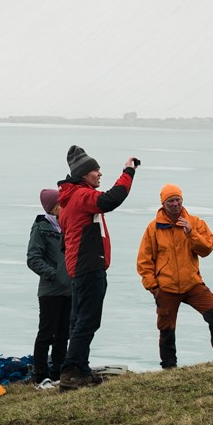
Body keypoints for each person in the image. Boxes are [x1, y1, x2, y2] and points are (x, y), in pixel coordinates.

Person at [52, 144, 139, 387]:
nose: (100, 174)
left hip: (80, 266)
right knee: (88, 320)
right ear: (83, 174)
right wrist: (128, 172)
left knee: (80, 320)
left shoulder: (69, 200)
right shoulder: (81, 195)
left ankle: (79, 367)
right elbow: (112, 199)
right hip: (89, 265)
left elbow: (64, 238)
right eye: (96, 170)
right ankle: (71, 372)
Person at [136, 183, 213, 368]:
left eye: (178, 200)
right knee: (166, 329)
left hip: (192, 284)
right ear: (163, 204)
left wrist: (191, 233)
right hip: (166, 287)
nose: (175, 204)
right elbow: (144, 261)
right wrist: (154, 288)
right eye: (170, 201)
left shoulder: (195, 223)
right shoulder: (153, 228)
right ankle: (169, 367)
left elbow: (207, 249)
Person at [24, 188, 71, 384]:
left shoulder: (68, 226)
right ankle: (40, 374)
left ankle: (58, 372)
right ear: (52, 208)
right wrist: (54, 274)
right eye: (61, 204)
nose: (65, 207)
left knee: (63, 333)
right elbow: (33, 259)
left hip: (69, 289)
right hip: (50, 290)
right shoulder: (40, 228)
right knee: (46, 333)